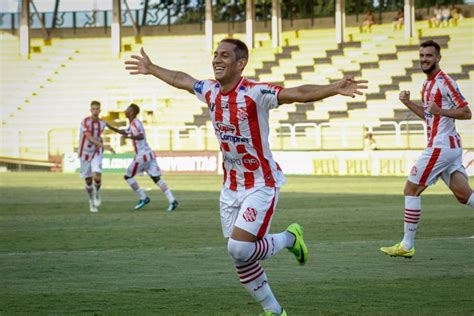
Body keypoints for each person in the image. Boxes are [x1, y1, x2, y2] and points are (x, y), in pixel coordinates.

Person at [124, 39, 367, 315]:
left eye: (224, 55)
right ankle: (274, 311)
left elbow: (298, 92)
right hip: (230, 187)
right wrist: (152, 68)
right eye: (215, 54)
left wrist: (334, 87)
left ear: (241, 64)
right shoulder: (209, 90)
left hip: (261, 184)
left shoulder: (255, 93)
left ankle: (289, 238)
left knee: (239, 248)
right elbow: (182, 79)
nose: (217, 59)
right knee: (240, 256)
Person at [380, 40, 473, 259]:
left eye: (429, 56)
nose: (424, 60)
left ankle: (407, 244)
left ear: (438, 58)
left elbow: (466, 112)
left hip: (440, 147)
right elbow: (429, 115)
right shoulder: (426, 85)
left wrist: (440, 110)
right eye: (422, 56)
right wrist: (408, 103)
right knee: (464, 196)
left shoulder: (445, 82)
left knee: (410, 190)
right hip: (448, 148)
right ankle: (406, 244)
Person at [107, 104, 178, 211]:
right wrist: (111, 127)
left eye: (128, 109)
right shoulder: (133, 123)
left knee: (128, 176)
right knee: (156, 178)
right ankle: (172, 201)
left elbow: (140, 136)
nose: (125, 111)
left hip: (142, 156)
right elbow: (125, 132)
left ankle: (143, 197)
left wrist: (129, 137)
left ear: (132, 112)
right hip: (149, 154)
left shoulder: (135, 123)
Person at [78, 100, 115, 213]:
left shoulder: (102, 123)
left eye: (97, 109)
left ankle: (97, 193)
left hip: (96, 152)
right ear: (90, 110)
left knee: (97, 177)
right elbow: (89, 137)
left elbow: (112, 127)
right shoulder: (85, 122)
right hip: (84, 153)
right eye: (93, 109)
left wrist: (125, 133)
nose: (95, 111)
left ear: (100, 110)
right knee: (88, 180)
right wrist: (105, 146)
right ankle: (91, 202)